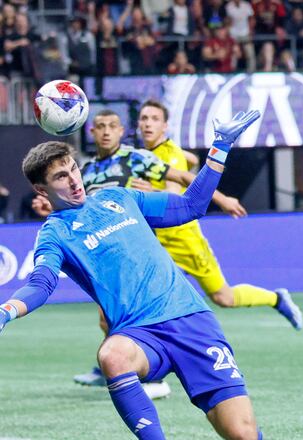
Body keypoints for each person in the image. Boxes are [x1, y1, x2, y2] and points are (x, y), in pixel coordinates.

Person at [0, 111, 273, 439]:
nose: (74, 180)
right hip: (140, 334)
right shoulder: (54, 233)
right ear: (40, 188)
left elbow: (190, 206)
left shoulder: (118, 197)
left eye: (73, 168)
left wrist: (220, 147)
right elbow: (41, 283)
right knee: (112, 355)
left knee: (242, 434)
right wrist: (7, 310)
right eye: (61, 176)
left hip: (191, 321)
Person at [56, 108, 301, 392]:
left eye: (153, 119)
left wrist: (221, 199)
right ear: (92, 132)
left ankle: (275, 298)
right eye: (144, 119)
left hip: (182, 237)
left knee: (224, 296)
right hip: (147, 242)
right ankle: (128, 368)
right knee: (115, 309)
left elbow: (182, 187)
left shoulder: (139, 158)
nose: (147, 124)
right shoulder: (89, 171)